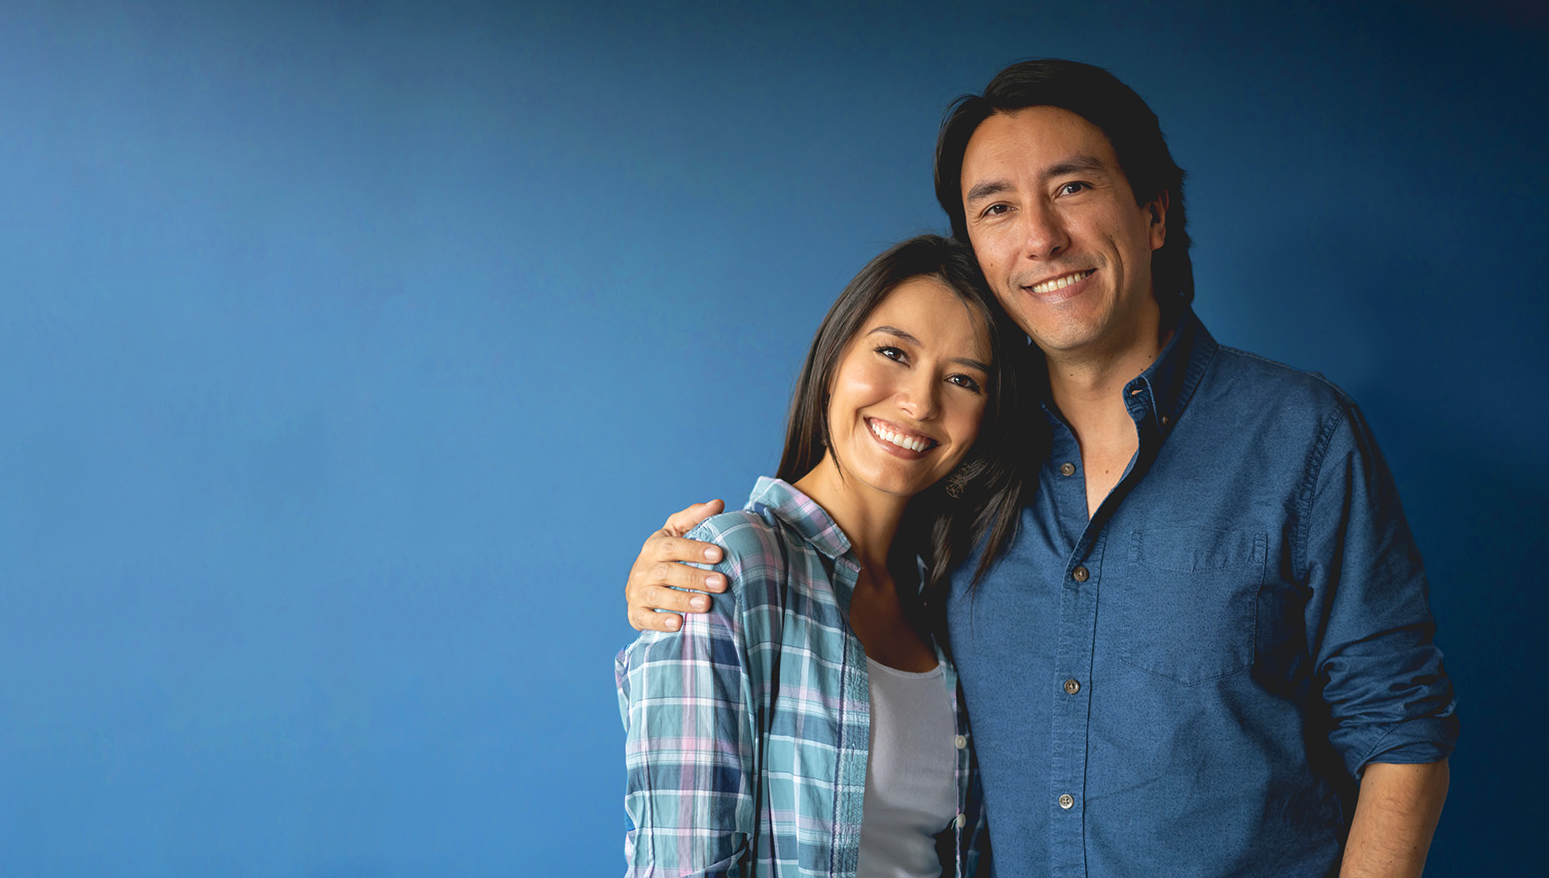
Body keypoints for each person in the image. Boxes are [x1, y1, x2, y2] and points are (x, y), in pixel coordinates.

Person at [623, 61, 1456, 878]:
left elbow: (1402, 728)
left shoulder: (1300, 436)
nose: (1040, 237)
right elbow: (831, 559)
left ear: (1155, 213)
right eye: (996, 207)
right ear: (979, 253)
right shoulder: (966, 458)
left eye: (1073, 189)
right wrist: (683, 580)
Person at [619, 235, 1040, 877]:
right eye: (893, 352)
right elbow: (683, 866)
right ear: (835, 357)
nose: (921, 403)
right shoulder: (732, 567)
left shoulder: (948, 602)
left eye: (963, 380)